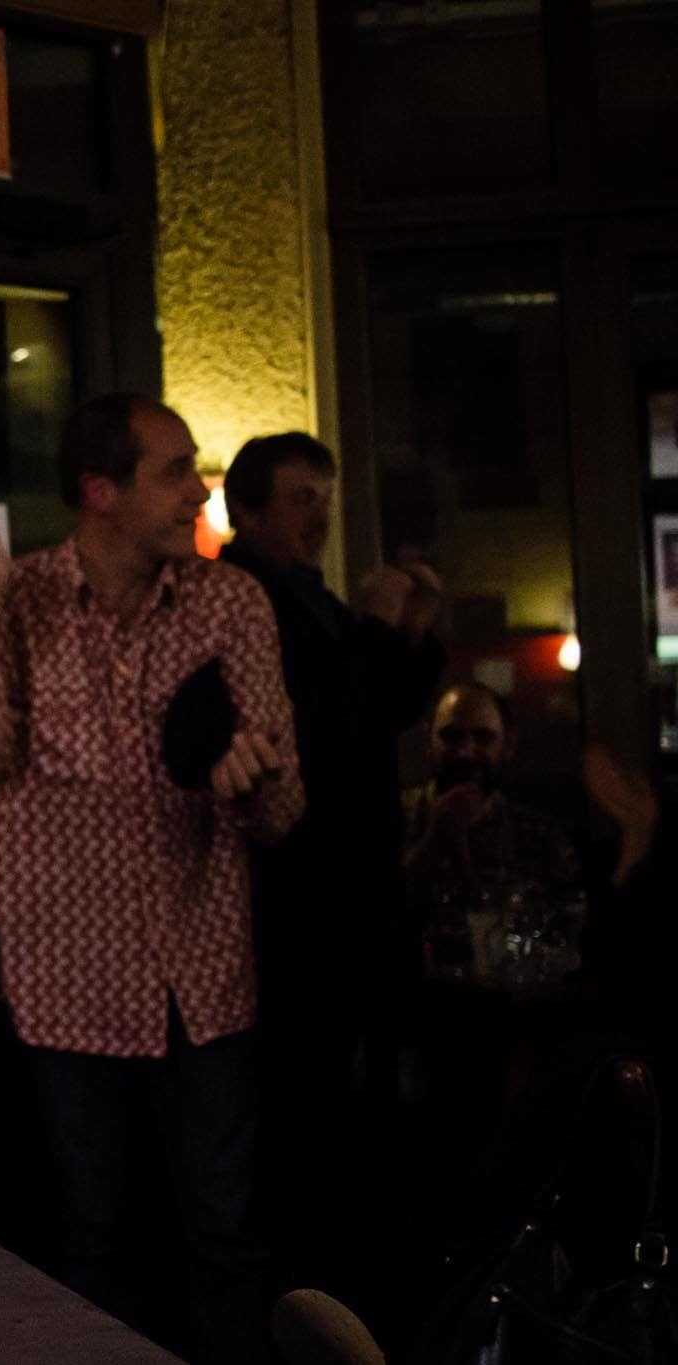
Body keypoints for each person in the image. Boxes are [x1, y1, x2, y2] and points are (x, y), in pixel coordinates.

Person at [0, 393, 304, 1364]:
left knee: (224, 1229)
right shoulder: (22, 597)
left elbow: (283, 808)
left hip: (200, 977)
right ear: (100, 490)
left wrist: (246, 783)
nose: (196, 491)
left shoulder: (231, 603)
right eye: (173, 471)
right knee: (93, 1234)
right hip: (68, 985)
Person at [219, 432, 445, 1302]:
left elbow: (383, 703)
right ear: (248, 508)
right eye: (300, 498)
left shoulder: (311, 597)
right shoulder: (242, 599)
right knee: (307, 1111)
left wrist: (412, 636)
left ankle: (369, 1278)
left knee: (361, 1107)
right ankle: (317, 1296)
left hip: (354, 898)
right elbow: (331, 718)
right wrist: (383, 630)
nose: (319, 516)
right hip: (295, 905)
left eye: (325, 495)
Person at [403, 682, 578, 927]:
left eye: (483, 738)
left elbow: (567, 924)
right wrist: (433, 842)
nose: (466, 752)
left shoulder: (537, 835)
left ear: (508, 745)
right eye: (451, 737)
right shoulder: (394, 818)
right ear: (427, 742)